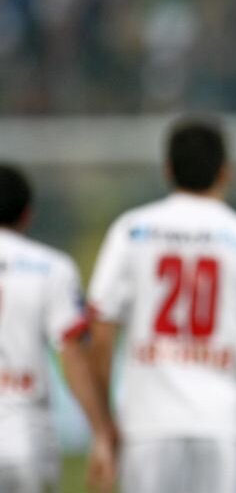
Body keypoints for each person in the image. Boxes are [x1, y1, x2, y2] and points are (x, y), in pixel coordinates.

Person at [86, 118, 236, 493]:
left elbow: (101, 333)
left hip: (147, 427)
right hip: (225, 425)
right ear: (226, 172)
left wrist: (102, 427)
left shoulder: (131, 232)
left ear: (167, 170)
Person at [0, 164, 116, 493]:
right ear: (27, 214)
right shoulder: (51, 267)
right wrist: (101, 432)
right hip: (25, 438)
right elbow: (72, 356)